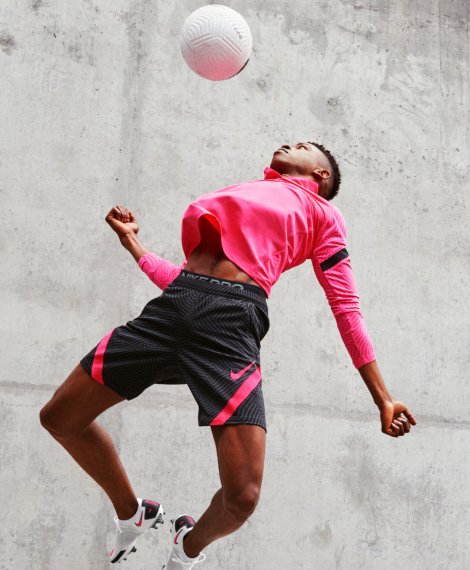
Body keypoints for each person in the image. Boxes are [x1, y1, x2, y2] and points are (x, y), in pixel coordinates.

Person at [39, 141, 417, 569]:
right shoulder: (248, 190)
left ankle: (187, 548)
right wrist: (134, 245)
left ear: (322, 174)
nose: (288, 143)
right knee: (59, 418)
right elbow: (187, 279)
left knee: (242, 496)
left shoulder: (323, 215)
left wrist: (383, 398)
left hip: (231, 324)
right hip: (176, 306)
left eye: (303, 146)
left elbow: (346, 307)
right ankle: (133, 513)